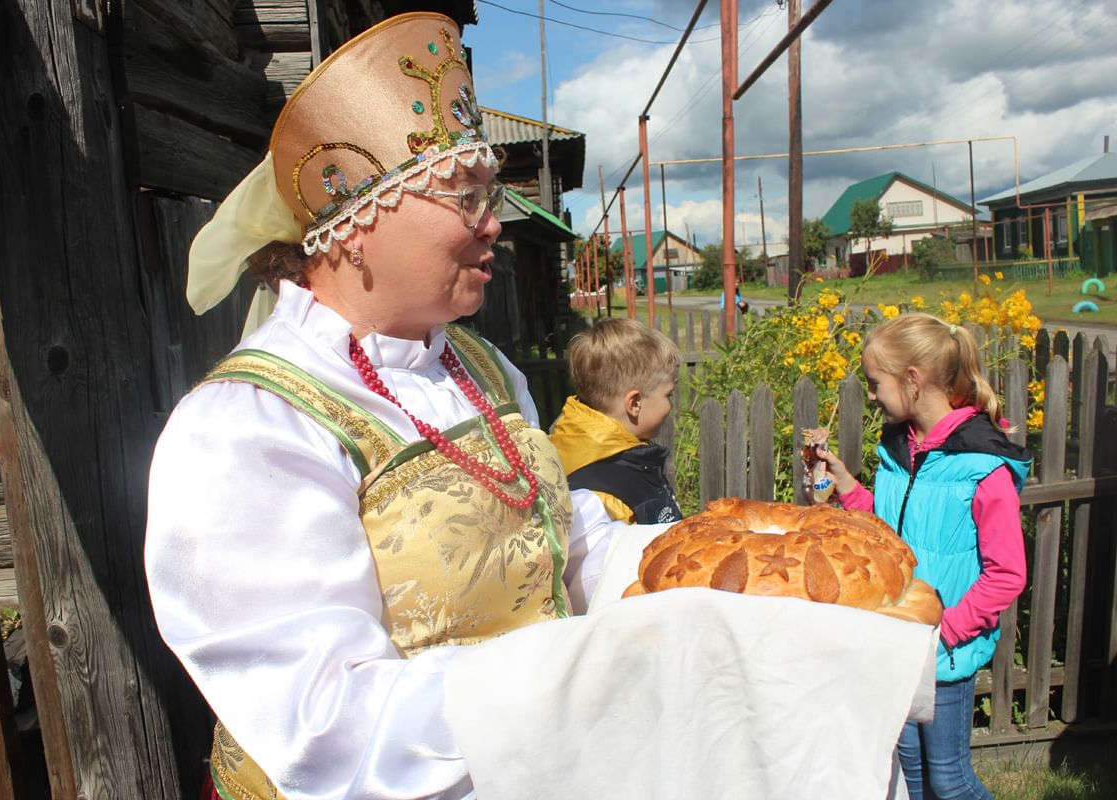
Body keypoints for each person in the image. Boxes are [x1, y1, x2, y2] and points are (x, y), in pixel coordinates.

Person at [144, 13, 938, 800]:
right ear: (354, 226)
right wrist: (602, 672)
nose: (496, 225)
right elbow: (324, 725)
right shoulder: (246, 429)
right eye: (467, 197)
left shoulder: (480, 368)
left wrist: (735, 567)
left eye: (492, 194)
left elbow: (563, 544)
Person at [815, 313, 1031, 800]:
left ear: (912, 380)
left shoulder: (982, 466)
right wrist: (846, 485)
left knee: (950, 783)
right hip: (898, 641)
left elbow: (1007, 574)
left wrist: (947, 633)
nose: (871, 396)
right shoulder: (900, 449)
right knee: (911, 779)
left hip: (944, 652)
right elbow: (894, 533)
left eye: (875, 384)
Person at [549, 317, 683, 525]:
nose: (670, 406)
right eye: (668, 395)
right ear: (634, 403)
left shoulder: (627, 453)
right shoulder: (602, 499)